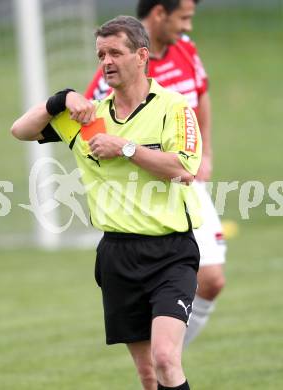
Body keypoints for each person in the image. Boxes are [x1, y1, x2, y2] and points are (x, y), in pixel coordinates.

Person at [11, 15, 202, 390]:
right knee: (148, 374)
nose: (107, 62)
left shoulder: (173, 107)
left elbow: (183, 169)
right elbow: (21, 130)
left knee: (166, 358)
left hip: (171, 252)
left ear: (141, 55)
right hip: (117, 254)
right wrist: (60, 98)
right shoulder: (88, 117)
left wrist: (126, 148)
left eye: (116, 52)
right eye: (101, 54)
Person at [85, 0, 226, 347]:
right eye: (183, 18)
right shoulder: (120, 64)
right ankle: (164, 361)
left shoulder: (186, 49)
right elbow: (89, 119)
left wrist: (205, 151)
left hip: (184, 177)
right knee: (202, 280)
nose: (187, 27)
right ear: (160, 13)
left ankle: (168, 357)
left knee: (212, 281)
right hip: (151, 190)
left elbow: (201, 94)